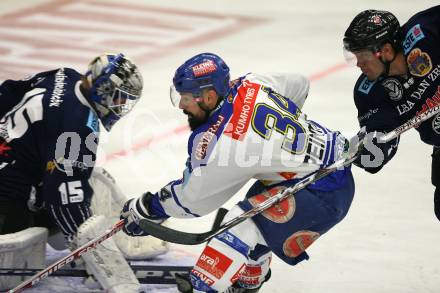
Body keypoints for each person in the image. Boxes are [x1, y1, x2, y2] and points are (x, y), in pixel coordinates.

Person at [120, 52, 358, 292]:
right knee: (256, 217)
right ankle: (247, 283)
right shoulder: (252, 83)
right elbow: (299, 85)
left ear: (209, 96)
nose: (181, 105)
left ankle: (204, 288)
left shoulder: (223, 143)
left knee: (239, 226)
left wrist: (148, 208)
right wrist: (279, 141)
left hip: (321, 192)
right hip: (325, 172)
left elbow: (193, 201)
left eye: (186, 98)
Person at [0, 53, 167, 292]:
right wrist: (90, 255)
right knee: (18, 261)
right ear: (104, 89)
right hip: (9, 196)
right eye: (119, 99)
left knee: (92, 179)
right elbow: (64, 201)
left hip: (11, 165)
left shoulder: (64, 75)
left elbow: (9, 91)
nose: (120, 107)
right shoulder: (78, 126)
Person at [342, 6, 440, 220]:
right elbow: (380, 145)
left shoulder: (426, 31)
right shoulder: (370, 93)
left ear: (386, 51)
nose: (358, 64)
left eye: (363, 56)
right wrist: (368, 152)